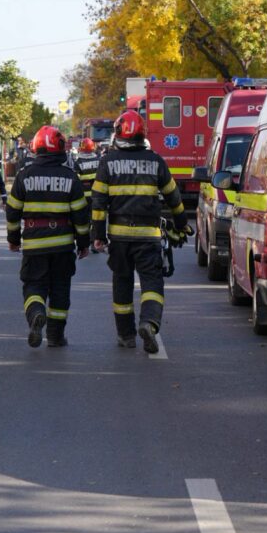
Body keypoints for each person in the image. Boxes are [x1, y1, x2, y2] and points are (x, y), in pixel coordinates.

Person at [91, 109, 189, 353]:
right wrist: (181, 224)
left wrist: (98, 236)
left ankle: (126, 336)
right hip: (148, 236)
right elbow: (174, 197)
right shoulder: (156, 161)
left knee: (122, 283)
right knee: (151, 282)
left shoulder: (107, 162)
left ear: (118, 134)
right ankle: (149, 322)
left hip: (119, 238)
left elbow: (99, 204)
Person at [6, 125, 90, 348]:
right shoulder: (70, 177)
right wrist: (84, 244)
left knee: (33, 286)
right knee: (60, 290)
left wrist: (13, 240)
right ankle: (55, 336)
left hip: (34, 245)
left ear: (36, 148)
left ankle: (36, 312)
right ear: (60, 148)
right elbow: (81, 215)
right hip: (63, 246)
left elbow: (12, 211)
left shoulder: (24, 175)